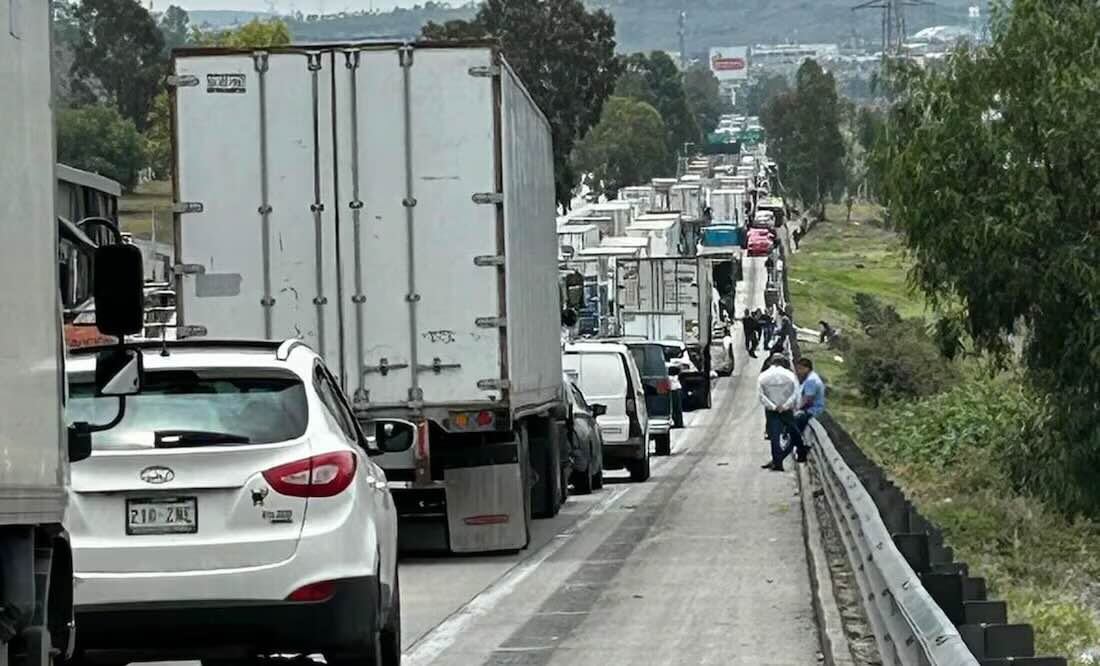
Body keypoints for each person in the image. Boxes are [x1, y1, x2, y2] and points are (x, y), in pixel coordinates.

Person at [757, 354, 807, 471]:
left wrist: (773, 406)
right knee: (794, 432)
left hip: (772, 411)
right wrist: (785, 406)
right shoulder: (790, 376)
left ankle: (777, 463)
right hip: (786, 409)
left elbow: (761, 396)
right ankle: (801, 452)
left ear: (771, 363)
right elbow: (795, 394)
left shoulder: (763, 376)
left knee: (774, 436)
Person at [794, 358, 826, 435]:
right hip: (811, 408)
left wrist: (797, 408)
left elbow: (808, 399)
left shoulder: (811, 380)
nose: (798, 371)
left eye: (800, 369)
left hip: (813, 409)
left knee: (795, 420)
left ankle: (797, 441)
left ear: (807, 369)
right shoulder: (811, 377)